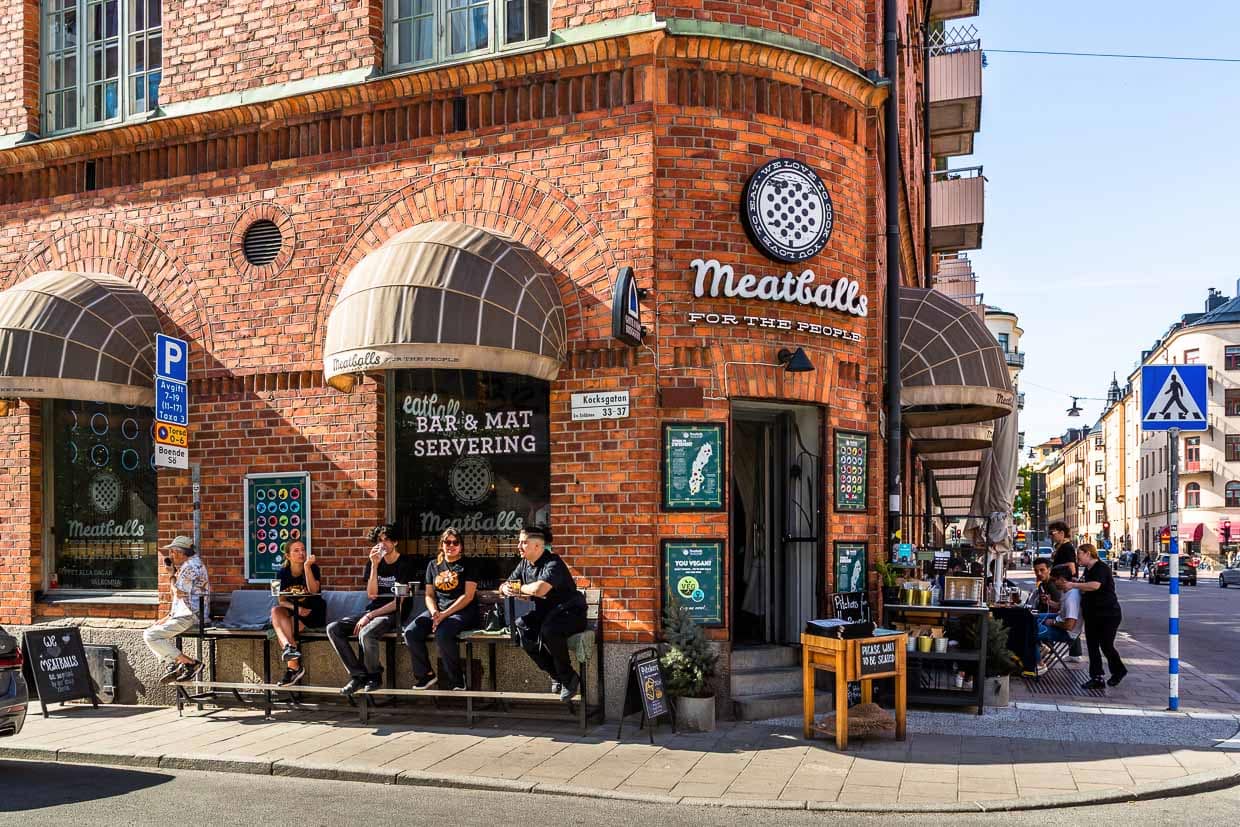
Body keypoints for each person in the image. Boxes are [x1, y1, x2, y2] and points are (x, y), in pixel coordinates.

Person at [326, 524, 418, 695]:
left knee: (366, 633)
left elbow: (399, 603)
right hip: (374, 610)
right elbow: (372, 595)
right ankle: (358, 675)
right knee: (333, 628)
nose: (382, 544)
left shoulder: (406, 564)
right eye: (379, 541)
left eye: (387, 540)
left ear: (396, 542)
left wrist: (369, 616)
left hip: (394, 613)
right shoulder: (373, 562)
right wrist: (375, 566)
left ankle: (375, 676)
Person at [499, 524, 587, 702]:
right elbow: (505, 585)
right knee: (521, 627)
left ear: (537, 546)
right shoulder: (524, 564)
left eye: (523, 543)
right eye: (519, 542)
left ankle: (568, 677)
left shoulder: (553, 563)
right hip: (546, 614)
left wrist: (520, 589)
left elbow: (540, 589)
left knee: (549, 631)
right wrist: (506, 588)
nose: (519, 546)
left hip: (571, 614)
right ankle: (558, 675)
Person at [404, 527, 481, 691]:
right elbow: (429, 595)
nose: (451, 545)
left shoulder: (469, 565)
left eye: (455, 542)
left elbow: (468, 596)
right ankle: (426, 675)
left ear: (461, 546)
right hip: (438, 611)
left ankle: (458, 680)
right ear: (442, 544)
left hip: (463, 612)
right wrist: (434, 613)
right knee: (411, 632)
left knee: (443, 634)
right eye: (447, 542)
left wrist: (444, 615)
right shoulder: (433, 565)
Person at [145, 536, 210, 684]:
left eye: (173, 552)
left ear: (181, 552)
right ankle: (176, 664)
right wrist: (169, 616)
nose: (171, 555)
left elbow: (179, 592)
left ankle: (189, 663)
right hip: (188, 613)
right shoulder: (192, 564)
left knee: (151, 635)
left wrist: (170, 576)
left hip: (191, 616)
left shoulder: (190, 567)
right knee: (154, 630)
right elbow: (184, 598)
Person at [1061, 543, 1127, 689]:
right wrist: (1078, 584)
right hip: (1092, 614)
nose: (1077, 558)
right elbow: (1086, 585)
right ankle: (1097, 677)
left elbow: (1095, 586)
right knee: (1092, 646)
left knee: (1106, 644)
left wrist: (1073, 585)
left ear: (1088, 553)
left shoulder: (1101, 568)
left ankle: (1119, 670)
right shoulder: (1088, 570)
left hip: (1107, 614)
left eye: (1079, 554)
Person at [271, 540, 324, 687]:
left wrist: (307, 566)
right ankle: (289, 648)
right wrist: (296, 609)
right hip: (294, 611)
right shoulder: (281, 573)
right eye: (296, 550)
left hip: (312, 612)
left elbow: (314, 591)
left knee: (286, 626)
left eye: (302, 550)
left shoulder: (313, 568)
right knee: (275, 611)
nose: (301, 553)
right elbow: (280, 600)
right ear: (288, 556)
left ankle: (293, 667)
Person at [1034, 564, 1082, 668]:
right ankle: (1041, 647)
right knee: (1032, 618)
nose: (1054, 584)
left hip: (1067, 633)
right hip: (1060, 619)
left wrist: (1053, 622)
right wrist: (1049, 602)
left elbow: (1069, 625)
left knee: (1031, 631)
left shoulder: (1071, 598)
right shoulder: (1067, 591)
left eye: (1055, 580)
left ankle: (1039, 664)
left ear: (1062, 579)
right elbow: (1061, 606)